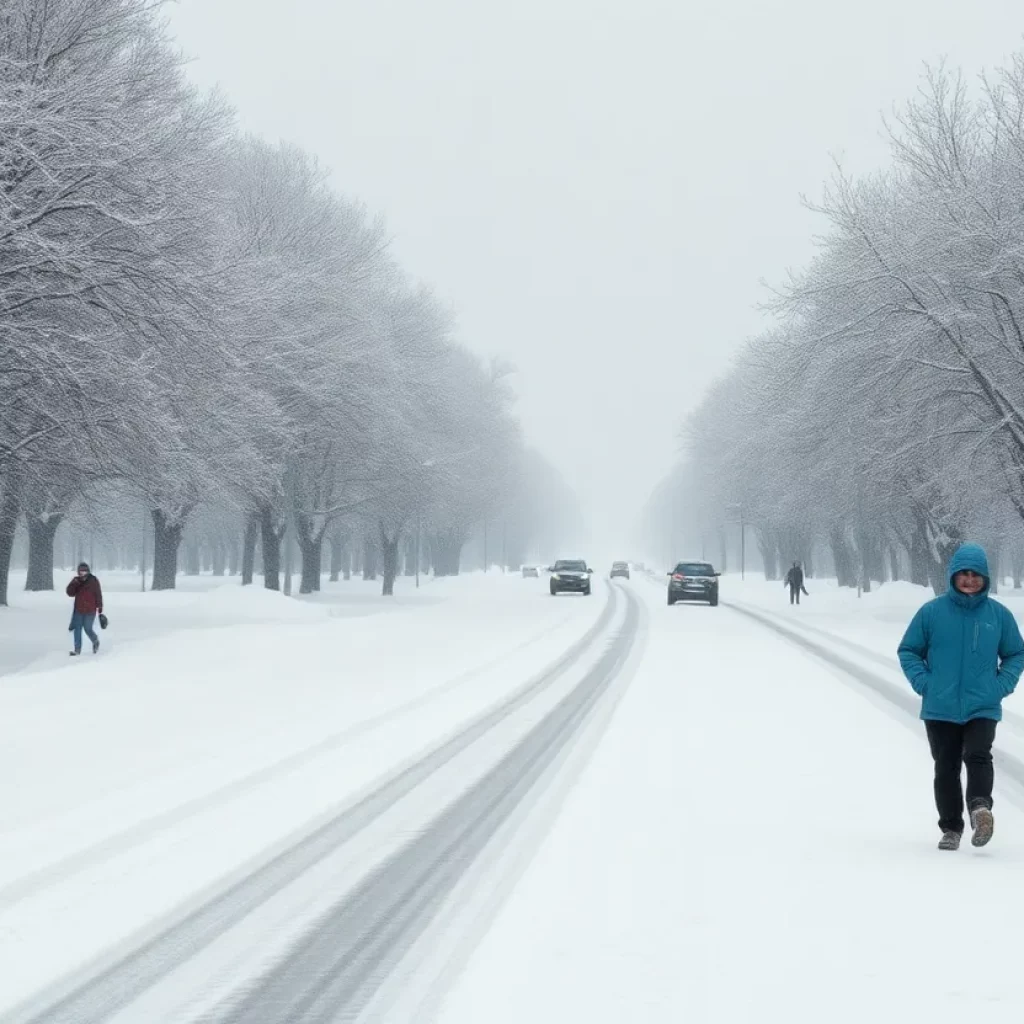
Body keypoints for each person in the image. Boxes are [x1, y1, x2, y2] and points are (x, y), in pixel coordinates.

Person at [897, 543, 1024, 850]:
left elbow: (1016, 653)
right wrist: (924, 683)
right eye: (964, 574)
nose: (970, 580)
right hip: (940, 706)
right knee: (946, 765)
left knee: (978, 755)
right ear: (953, 575)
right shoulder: (931, 612)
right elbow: (909, 650)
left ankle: (981, 809)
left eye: (976, 574)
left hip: (983, 704)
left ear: (986, 578)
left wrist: (1000, 686)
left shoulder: (999, 615)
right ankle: (951, 827)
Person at [66, 562, 103, 656]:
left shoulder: (93, 580)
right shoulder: (76, 580)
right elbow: (70, 593)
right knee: (77, 629)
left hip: (90, 610)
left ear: (88, 571)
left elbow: (98, 594)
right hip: (79, 609)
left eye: (84, 571)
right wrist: (74, 584)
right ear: (78, 572)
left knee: (87, 628)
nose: (83, 573)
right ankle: (77, 650)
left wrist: (100, 606)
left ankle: (95, 641)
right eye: (81, 571)